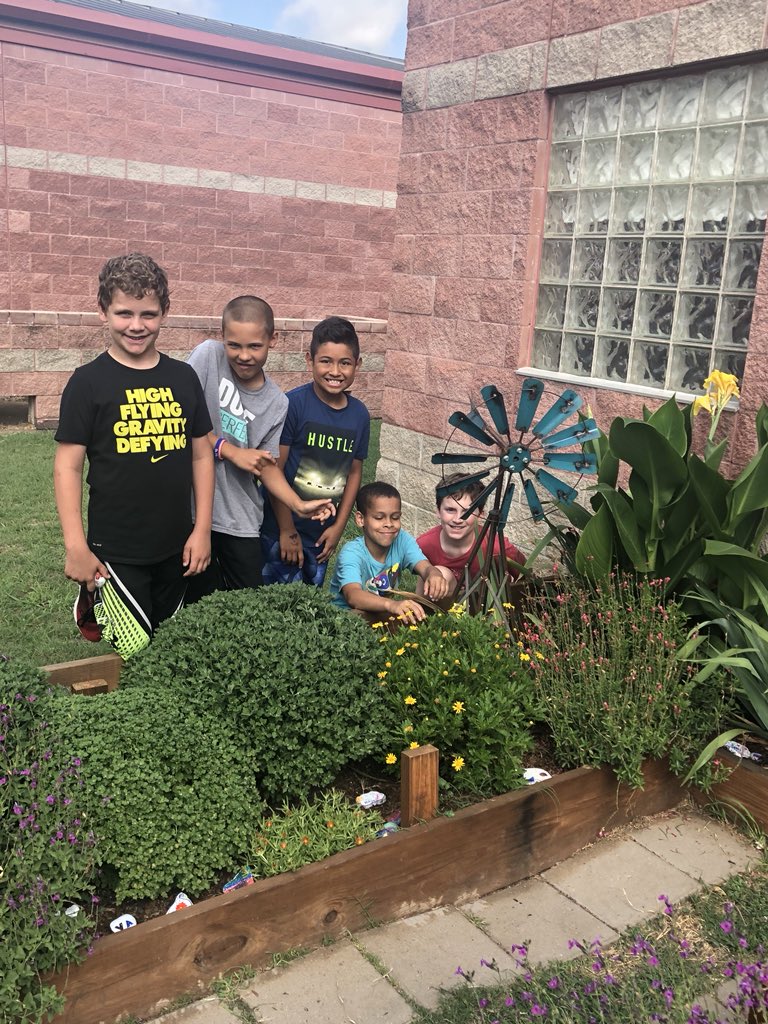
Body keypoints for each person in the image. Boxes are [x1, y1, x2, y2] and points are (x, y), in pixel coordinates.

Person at [53, 252, 214, 657]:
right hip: (115, 547)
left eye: (149, 314)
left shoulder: (183, 377)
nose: (137, 325)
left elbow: (201, 456)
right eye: (124, 313)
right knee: (133, 648)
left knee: (171, 643)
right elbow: (68, 467)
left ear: (165, 313)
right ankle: (94, 602)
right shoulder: (87, 383)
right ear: (102, 311)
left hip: (176, 542)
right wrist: (76, 546)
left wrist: (202, 530)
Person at [186, 295, 334, 597]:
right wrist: (229, 450)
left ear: (272, 340)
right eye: (234, 345)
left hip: (239, 518)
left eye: (254, 346)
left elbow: (267, 467)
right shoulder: (208, 356)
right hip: (189, 511)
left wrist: (298, 505)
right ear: (222, 337)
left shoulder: (277, 403)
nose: (244, 355)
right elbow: (181, 419)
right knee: (194, 603)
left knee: (246, 603)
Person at [260, 316, 370, 587]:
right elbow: (275, 469)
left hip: (320, 536)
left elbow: (354, 473)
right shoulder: (293, 405)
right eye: (326, 361)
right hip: (280, 530)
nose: (335, 371)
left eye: (345, 363)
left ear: (357, 364)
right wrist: (287, 530)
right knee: (272, 600)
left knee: (308, 603)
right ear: (309, 360)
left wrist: (338, 527)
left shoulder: (360, 415)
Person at [329, 481, 450, 621]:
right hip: (344, 621)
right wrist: (391, 605)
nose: (389, 524)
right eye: (379, 518)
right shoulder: (351, 553)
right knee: (359, 614)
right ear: (360, 519)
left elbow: (425, 567)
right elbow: (353, 595)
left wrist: (434, 573)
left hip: (380, 615)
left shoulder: (402, 540)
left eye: (395, 517)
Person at [416, 472, 526, 599]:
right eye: (450, 510)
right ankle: (422, 609)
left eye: (467, 512)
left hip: (487, 603)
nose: (458, 519)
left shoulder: (495, 547)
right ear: (438, 511)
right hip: (445, 605)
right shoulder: (424, 545)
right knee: (439, 573)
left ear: (480, 515)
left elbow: (525, 576)